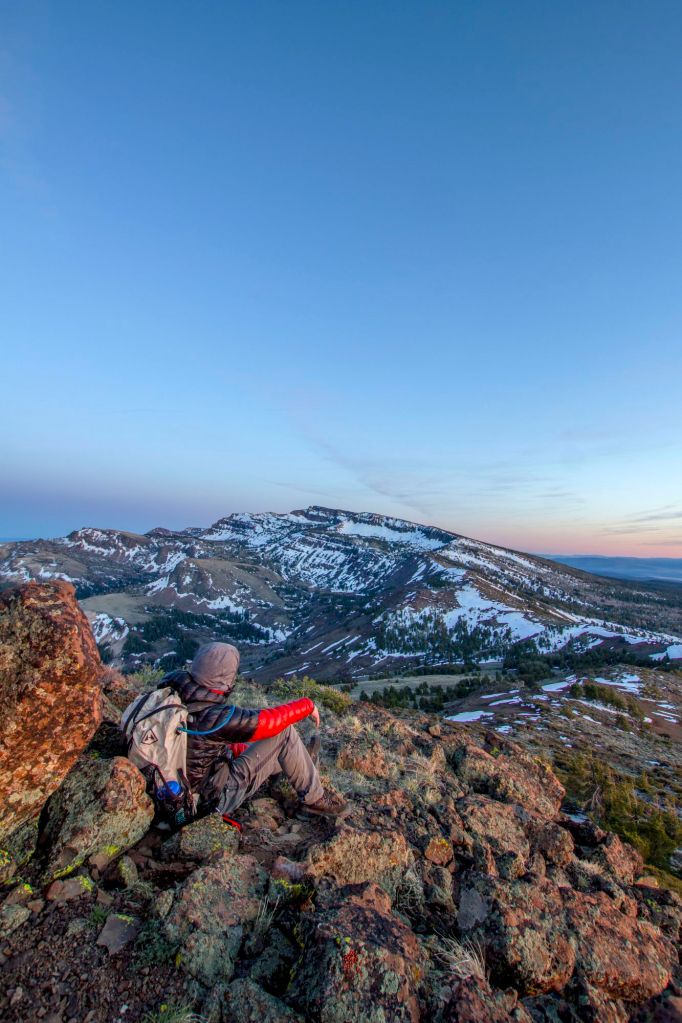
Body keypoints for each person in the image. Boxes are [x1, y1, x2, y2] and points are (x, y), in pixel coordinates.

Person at [161, 641, 347, 820]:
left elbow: (206, 747)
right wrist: (306, 705)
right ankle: (314, 801)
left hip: (173, 790)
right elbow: (269, 722)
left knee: (252, 741)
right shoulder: (214, 717)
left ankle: (297, 761)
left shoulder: (174, 694)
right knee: (283, 733)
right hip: (210, 799)